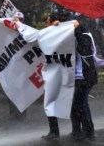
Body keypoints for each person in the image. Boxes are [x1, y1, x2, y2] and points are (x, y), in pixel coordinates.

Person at [41, 11, 98, 142]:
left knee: (81, 103)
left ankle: (88, 131)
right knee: (75, 104)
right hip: (72, 77)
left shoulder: (83, 34)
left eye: (48, 21)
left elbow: (85, 48)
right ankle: (77, 131)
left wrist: (77, 29)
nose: (46, 25)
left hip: (84, 76)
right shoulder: (59, 36)